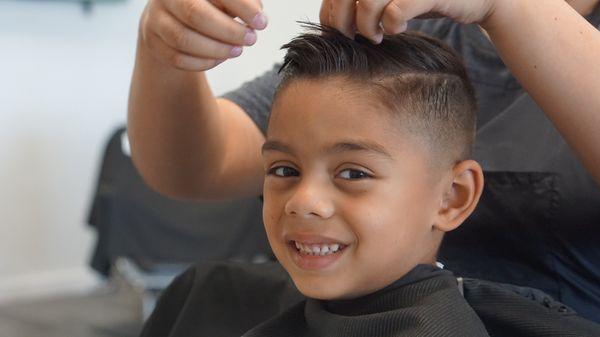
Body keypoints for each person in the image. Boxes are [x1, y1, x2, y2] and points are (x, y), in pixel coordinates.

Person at [128, 0, 600, 321]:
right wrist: (165, 50)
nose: (305, 202)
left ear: (455, 197)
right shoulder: (402, 28)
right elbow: (197, 166)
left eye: (353, 173)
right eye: (285, 172)